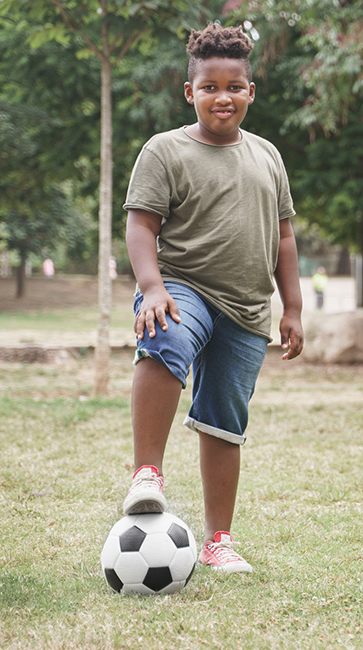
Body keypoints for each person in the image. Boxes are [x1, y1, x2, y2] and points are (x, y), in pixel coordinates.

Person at [120, 23, 304, 574]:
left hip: (246, 309)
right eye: (209, 87)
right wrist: (152, 287)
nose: (222, 97)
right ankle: (146, 475)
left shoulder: (268, 156)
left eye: (233, 86)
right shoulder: (165, 150)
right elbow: (140, 225)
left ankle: (218, 540)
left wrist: (291, 306)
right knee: (166, 335)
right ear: (189, 92)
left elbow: (285, 235)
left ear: (251, 92)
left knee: (225, 421)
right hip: (181, 286)